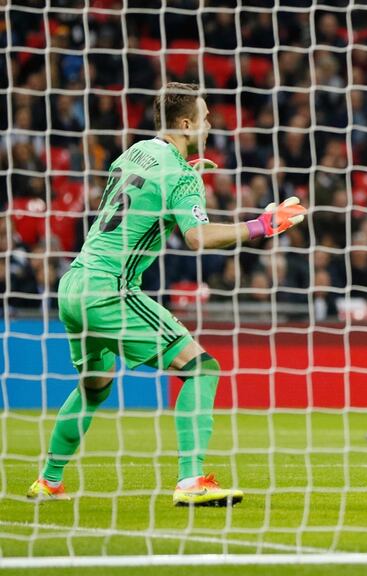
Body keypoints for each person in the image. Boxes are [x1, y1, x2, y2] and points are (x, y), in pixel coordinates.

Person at [28, 82, 307, 505]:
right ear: (186, 123)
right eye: (206, 115)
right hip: (111, 290)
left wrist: (187, 169)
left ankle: (48, 480)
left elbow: (139, 198)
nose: (211, 123)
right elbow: (197, 238)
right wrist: (263, 226)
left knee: (94, 387)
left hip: (75, 283)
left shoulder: (135, 153)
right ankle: (191, 482)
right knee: (201, 368)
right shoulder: (179, 175)